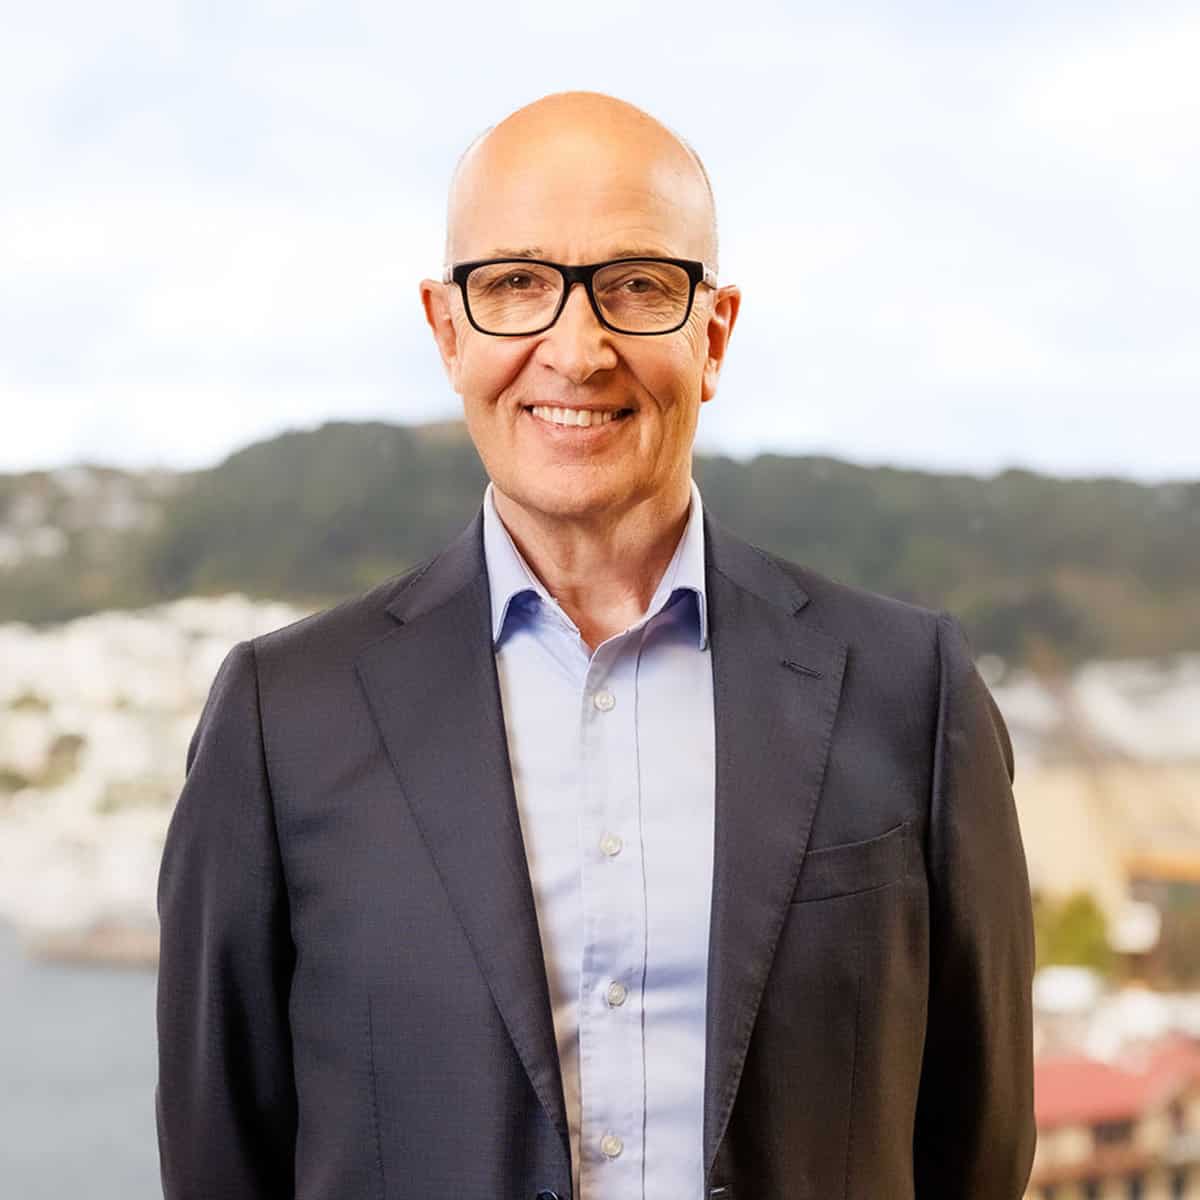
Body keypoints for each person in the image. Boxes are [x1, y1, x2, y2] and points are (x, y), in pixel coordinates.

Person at [155, 90, 1037, 1199]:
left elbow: (980, 1150)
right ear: (447, 328)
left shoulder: (913, 696)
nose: (577, 350)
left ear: (711, 335)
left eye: (636, 285)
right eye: (516, 283)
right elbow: (219, 1160)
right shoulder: (281, 719)